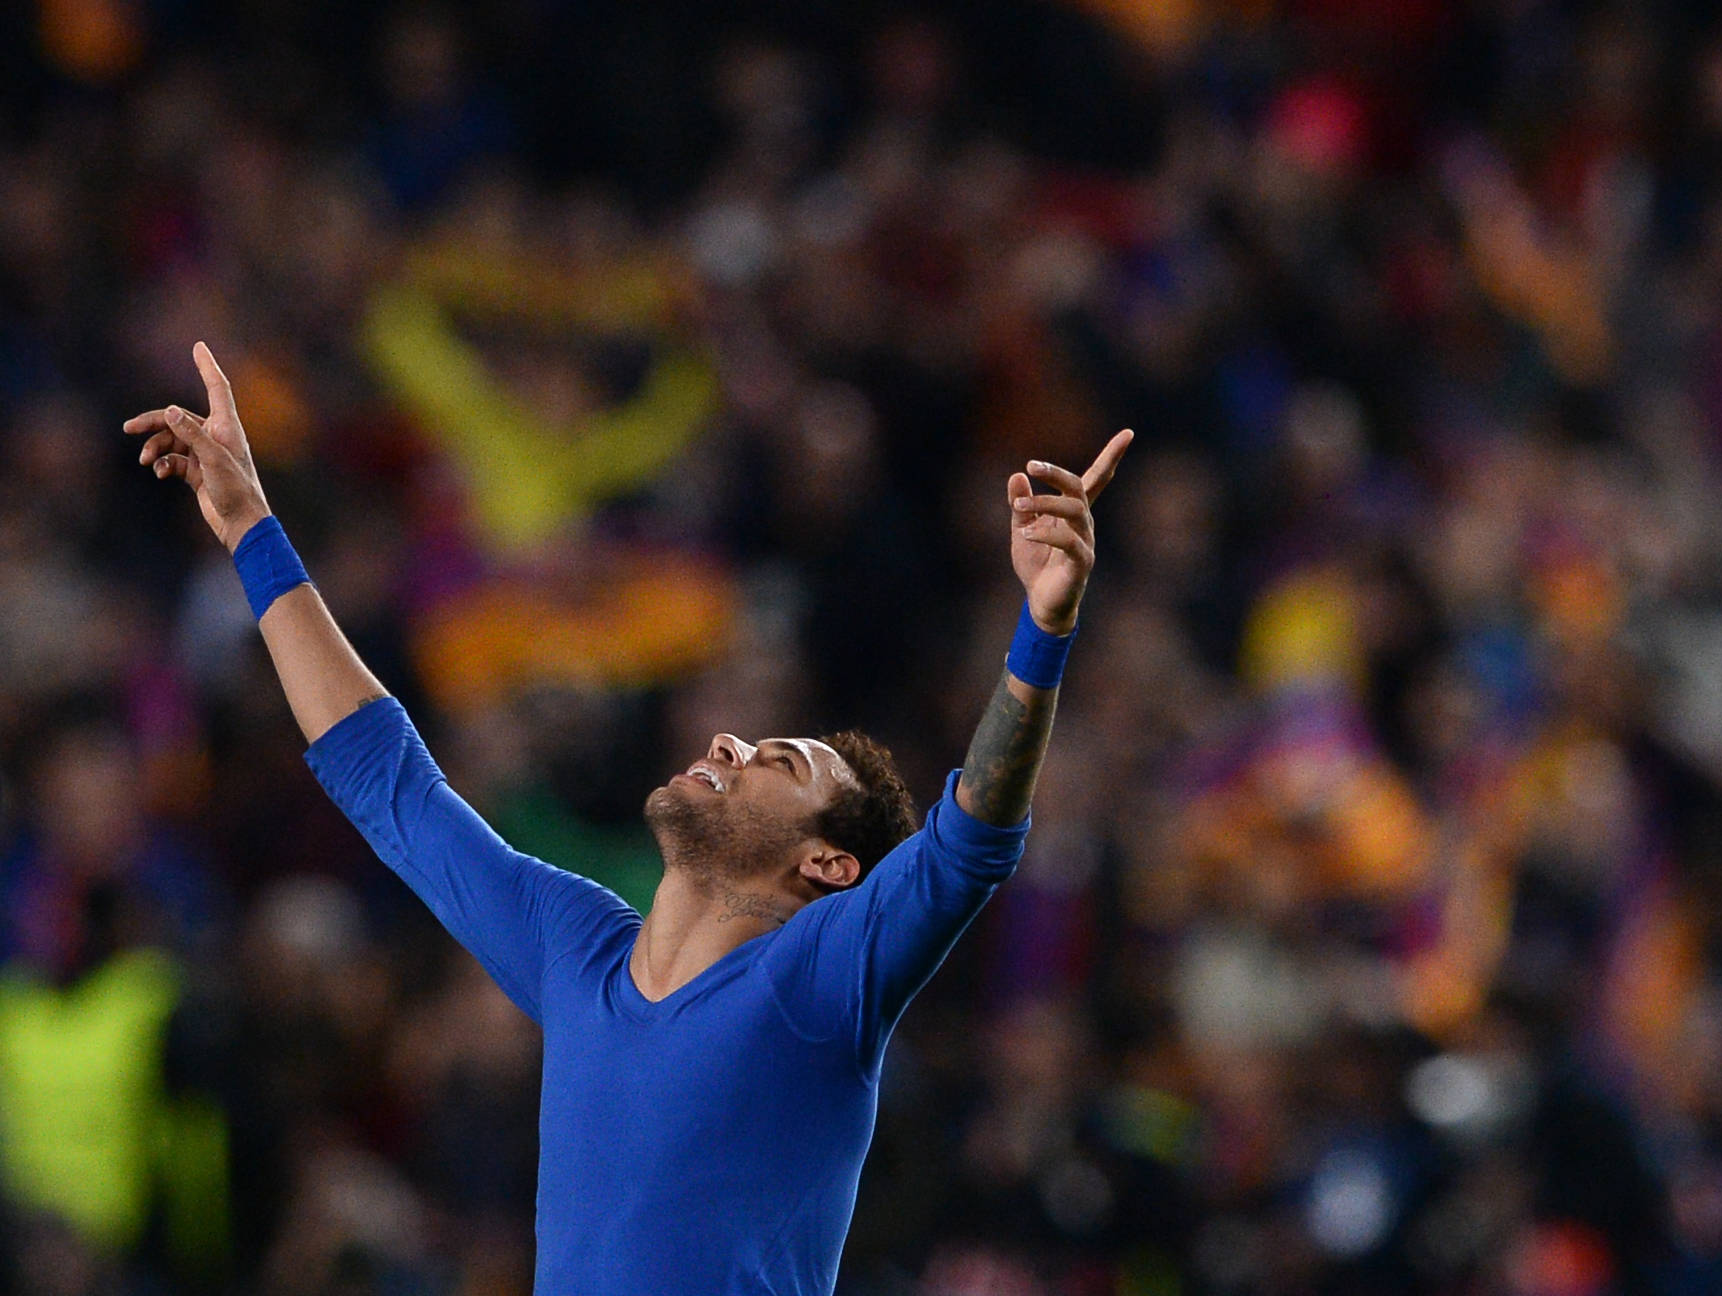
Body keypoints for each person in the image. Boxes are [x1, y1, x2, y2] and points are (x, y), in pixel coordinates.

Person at [125, 342, 1132, 1295]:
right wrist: (253, 527)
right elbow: (384, 779)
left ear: (828, 864)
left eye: (782, 761)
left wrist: (1043, 628)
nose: (734, 744)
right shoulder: (574, 947)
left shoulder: (822, 978)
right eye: (745, 741)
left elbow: (967, 845)